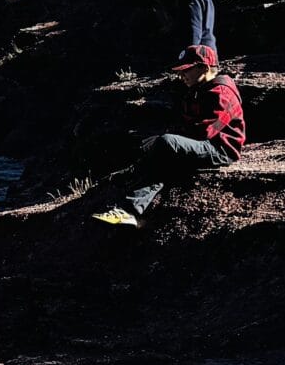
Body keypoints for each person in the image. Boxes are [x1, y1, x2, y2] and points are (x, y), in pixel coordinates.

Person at [93, 43, 245, 228]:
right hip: (201, 145)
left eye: (186, 70)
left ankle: (131, 208)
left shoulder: (221, 92)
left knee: (166, 143)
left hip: (220, 149)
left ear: (204, 68)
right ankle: (131, 209)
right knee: (150, 145)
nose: (182, 76)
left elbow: (204, 131)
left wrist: (166, 138)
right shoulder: (197, 90)